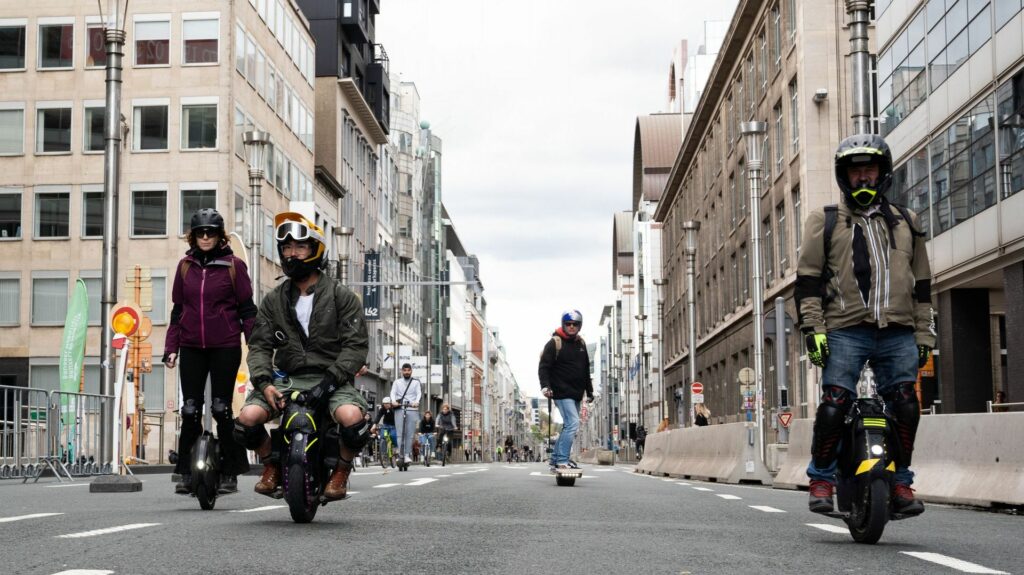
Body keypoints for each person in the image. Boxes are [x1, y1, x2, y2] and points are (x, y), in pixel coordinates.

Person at [796, 134, 932, 516]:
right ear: (844, 176)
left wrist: (924, 332)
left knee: (906, 405)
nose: (863, 178)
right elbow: (807, 280)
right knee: (834, 404)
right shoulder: (824, 221)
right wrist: (813, 329)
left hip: (898, 331)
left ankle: (901, 482)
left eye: (869, 169)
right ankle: (821, 479)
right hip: (845, 328)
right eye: (855, 171)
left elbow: (923, 284)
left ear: (882, 172)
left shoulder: (907, 221)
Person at [234, 212, 370, 501]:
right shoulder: (273, 299)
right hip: (286, 379)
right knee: (246, 419)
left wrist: (329, 384)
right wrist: (264, 383)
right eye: (286, 248)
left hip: (331, 379)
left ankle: (341, 471)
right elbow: (259, 346)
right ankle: (271, 465)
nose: (292, 254)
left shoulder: (341, 296)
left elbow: (355, 346)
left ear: (315, 250)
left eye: (300, 247)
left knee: (353, 420)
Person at [163, 209, 255, 495]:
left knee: (221, 408)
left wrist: (255, 346)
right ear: (193, 236)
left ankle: (231, 471)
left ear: (219, 236)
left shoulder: (234, 266)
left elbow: (247, 310)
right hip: (191, 345)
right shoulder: (185, 267)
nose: (205, 237)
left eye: (211, 232)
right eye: (200, 233)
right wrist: (171, 348)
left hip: (225, 345)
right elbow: (178, 310)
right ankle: (185, 472)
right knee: (190, 409)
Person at [538, 309, 594, 473]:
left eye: (575, 324)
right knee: (573, 423)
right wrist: (545, 386)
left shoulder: (581, 344)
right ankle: (562, 460)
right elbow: (544, 367)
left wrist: (589, 392)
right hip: (561, 392)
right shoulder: (554, 343)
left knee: (568, 425)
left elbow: (585, 369)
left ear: (579, 326)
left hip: (576, 393)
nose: (571, 327)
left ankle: (555, 459)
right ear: (563, 324)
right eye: (568, 324)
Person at [389, 363, 422, 465]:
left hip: (412, 409)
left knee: (410, 434)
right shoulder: (397, 382)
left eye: (408, 370)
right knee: (400, 433)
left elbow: (419, 393)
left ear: (411, 371)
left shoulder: (416, 382)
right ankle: (400, 454)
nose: (407, 372)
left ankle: (407, 454)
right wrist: (393, 401)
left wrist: (416, 402)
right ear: (402, 371)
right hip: (400, 408)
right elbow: (393, 393)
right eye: (405, 370)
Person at [373, 397, 399, 464]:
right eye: (384, 404)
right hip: (386, 425)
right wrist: (374, 424)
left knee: (393, 436)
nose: (386, 405)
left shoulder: (394, 408)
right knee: (383, 437)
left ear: (390, 403)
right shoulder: (382, 409)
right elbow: (378, 416)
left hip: (394, 425)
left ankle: (395, 448)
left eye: (387, 403)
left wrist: (391, 408)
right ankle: (383, 454)